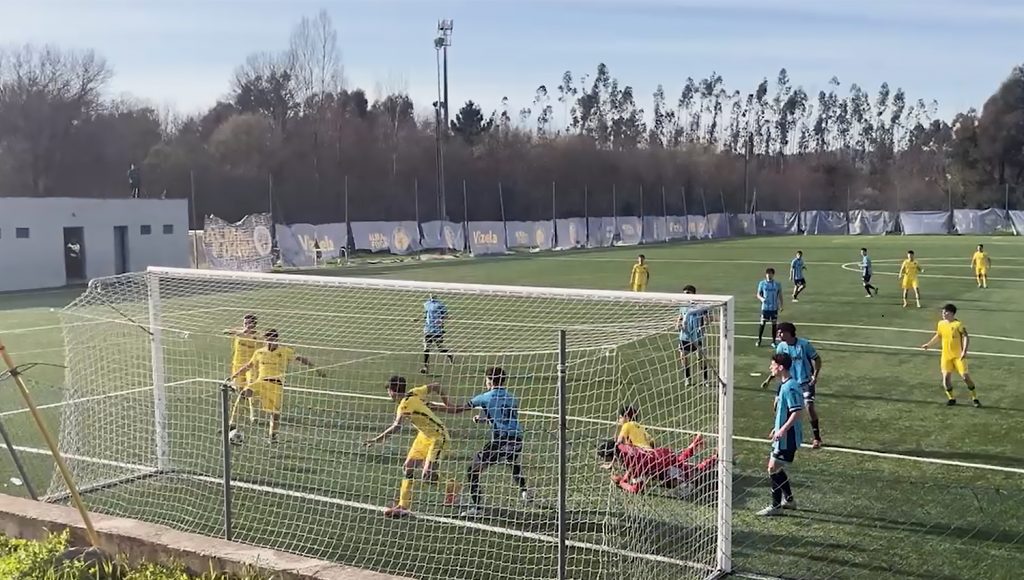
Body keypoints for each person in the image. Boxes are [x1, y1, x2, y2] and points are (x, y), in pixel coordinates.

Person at [432, 367, 531, 517]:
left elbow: (457, 409)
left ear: (490, 381)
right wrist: (483, 419)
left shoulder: (485, 397)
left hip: (501, 440)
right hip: (517, 437)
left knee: (472, 470)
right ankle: (525, 491)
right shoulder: (512, 397)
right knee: (512, 461)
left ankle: (477, 508)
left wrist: (434, 407)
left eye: (486, 380)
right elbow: (504, 418)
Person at [365, 376, 453, 518]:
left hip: (438, 437)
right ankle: (403, 506)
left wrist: (376, 440)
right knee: (408, 467)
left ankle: (451, 487)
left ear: (393, 391)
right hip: (424, 436)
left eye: (388, 391)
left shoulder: (404, 406)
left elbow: (396, 427)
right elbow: (436, 385)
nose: (388, 394)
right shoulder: (414, 392)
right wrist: (447, 403)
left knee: (427, 476)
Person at [227, 329, 322, 443]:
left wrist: (316, 369)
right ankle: (232, 423)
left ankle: (273, 436)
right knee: (244, 394)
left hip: (276, 385)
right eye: (267, 339)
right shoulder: (259, 352)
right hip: (260, 382)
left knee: (275, 414)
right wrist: (234, 376)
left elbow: (301, 358)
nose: (269, 341)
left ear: (276, 339)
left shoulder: (284, 351)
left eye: (271, 339)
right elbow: (249, 365)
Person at [597, 406, 716, 496]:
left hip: (662, 464)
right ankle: (695, 445)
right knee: (678, 463)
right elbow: (649, 446)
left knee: (692, 474)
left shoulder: (627, 431)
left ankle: (715, 457)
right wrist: (624, 479)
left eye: (604, 457)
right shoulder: (626, 447)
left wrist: (621, 483)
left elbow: (637, 489)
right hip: (659, 454)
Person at [757, 353, 804, 516]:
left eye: (772, 365)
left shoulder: (790, 387)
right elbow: (783, 412)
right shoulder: (784, 385)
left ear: (780, 367)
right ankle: (789, 500)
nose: (770, 368)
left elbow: (797, 412)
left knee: (772, 468)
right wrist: (776, 428)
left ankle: (776, 506)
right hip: (782, 436)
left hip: (787, 438)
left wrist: (783, 430)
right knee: (775, 468)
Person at [763, 322, 823, 449]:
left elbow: (817, 359)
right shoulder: (781, 347)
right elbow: (778, 366)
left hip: (805, 382)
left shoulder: (804, 345)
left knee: (809, 407)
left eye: (781, 332)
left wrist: (815, 376)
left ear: (789, 332)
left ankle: (817, 437)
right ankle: (777, 427)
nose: (778, 334)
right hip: (788, 383)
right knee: (777, 406)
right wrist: (769, 380)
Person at [921, 304, 981, 407]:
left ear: (952, 313)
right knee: (946, 379)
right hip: (946, 356)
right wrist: (929, 344)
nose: (943, 314)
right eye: (943, 312)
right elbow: (938, 335)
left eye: (946, 312)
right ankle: (951, 398)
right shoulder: (941, 324)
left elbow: (966, 337)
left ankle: (975, 398)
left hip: (958, 356)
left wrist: (964, 351)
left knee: (965, 377)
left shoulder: (958, 324)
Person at [225, 314, 261, 426]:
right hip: (237, 366)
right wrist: (240, 332)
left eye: (249, 323)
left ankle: (252, 415)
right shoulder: (239, 332)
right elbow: (225, 331)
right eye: (245, 323)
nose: (246, 325)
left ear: (254, 324)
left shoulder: (259, 337)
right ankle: (245, 414)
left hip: (251, 367)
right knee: (240, 391)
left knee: (249, 389)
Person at [677, 285, 709, 384]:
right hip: (684, 335)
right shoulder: (683, 306)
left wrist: (704, 326)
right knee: (683, 356)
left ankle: (705, 378)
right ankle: (687, 377)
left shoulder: (700, 306)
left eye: (687, 293)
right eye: (684, 294)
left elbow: (707, 318)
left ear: (693, 294)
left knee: (700, 357)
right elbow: (680, 317)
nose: (685, 295)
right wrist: (678, 323)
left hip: (696, 336)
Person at [421, 294, 454, 374]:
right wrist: (418, 319)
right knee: (426, 348)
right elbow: (425, 315)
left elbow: (445, 316)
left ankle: (449, 355)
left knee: (440, 348)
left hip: (437, 330)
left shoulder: (440, 305)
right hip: (428, 329)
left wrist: (441, 321)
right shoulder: (426, 304)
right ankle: (426, 367)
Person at [756, 268, 783, 347]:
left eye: (770, 273)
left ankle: (774, 341)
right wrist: (762, 299)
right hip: (765, 308)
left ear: (773, 274)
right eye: (768, 274)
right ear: (766, 274)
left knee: (774, 324)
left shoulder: (777, 284)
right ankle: (759, 340)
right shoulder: (762, 283)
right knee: (762, 323)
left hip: (774, 308)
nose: (769, 275)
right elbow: (758, 294)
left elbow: (780, 295)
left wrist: (781, 305)